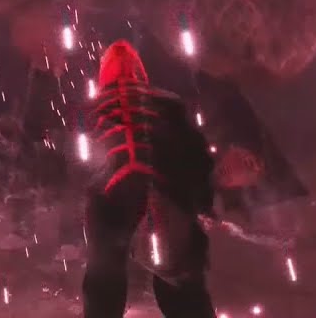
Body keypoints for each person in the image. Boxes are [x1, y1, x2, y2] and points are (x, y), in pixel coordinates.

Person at [83, 40, 217, 318]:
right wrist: (203, 204)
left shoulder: (92, 108)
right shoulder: (168, 102)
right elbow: (197, 157)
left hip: (114, 193)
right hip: (163, 188)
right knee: (179, 278)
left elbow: (77, 161)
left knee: (105, 274)